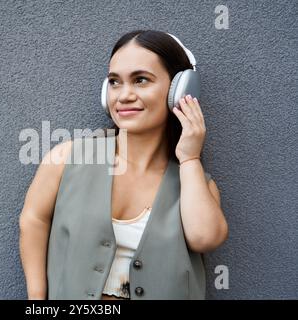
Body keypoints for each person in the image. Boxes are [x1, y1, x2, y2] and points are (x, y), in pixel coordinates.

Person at [19, 29, 228, 300]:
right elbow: (33, 220)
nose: (124, 95)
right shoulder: (67, 158)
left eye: (141, 80)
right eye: (115, 82)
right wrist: (37, 300)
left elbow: (205, 238)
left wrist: (190, 157)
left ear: (180, 90)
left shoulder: (197, 184)